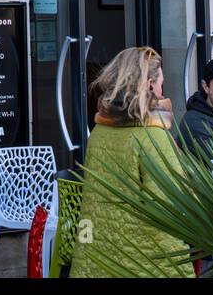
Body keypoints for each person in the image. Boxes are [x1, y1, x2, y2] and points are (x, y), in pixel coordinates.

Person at [71, 47, 192, 278]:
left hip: (97, 252)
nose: (162, 89)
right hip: (148, 257)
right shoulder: (154, 135)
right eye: (160, 83)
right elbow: (170, 204)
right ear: (149, 85)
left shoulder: (100, 128)